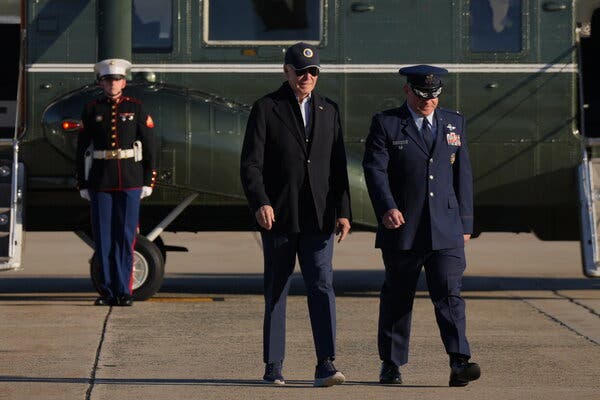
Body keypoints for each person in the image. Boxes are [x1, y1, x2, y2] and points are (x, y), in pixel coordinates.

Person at [240, 42, 351, 387]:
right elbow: (251, 164)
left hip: (319, 217)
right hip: (280, 217)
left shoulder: (329, 110)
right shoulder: (266, 108)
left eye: (313, 72)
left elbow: (338, 167)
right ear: (286, 71)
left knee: (322, 285)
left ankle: (326, 363)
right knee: (277, 289)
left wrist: (344, 212)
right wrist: (260, 201)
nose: (307, 77)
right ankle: (273, 365)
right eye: (300, 71)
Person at [362, 65, 481, 387]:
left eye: (434, 95)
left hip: (446, 228)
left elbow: (463, 175)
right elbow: (375, 170)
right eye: (421, 94)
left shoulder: (453, 123)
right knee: (398, 297)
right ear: (407, 91)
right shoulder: (387, 123)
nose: (428, 100)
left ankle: (459, 361)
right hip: (404, 227)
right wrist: (387, 207)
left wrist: (465, 222)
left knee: (450, 295)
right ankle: (391, 363)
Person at [76, 58, 157, 307]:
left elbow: (150, 146)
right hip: (101, 180)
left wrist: (148, 179)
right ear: (101, 82)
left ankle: (125, 291)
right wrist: (82, 182)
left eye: (117, 79)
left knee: (125, 238)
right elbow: (81, 149)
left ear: (124, 82)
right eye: (108, 80)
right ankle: (108, 291)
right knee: (104, 238)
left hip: (130, 180)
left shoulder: (136, 107)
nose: (113, 84)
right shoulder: (91, 110)